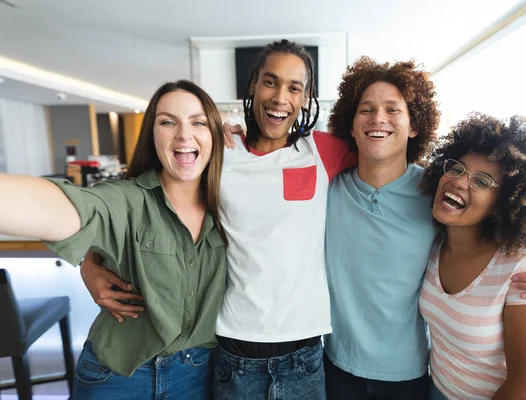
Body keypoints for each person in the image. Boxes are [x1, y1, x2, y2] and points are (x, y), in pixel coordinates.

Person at [80, 39, 356, 400]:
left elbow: (386, 159)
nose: (279, 97)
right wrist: (90, 263)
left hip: (303, 353)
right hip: (231, 350)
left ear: (306, 97)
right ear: (254, 83)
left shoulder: (323, 150)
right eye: (270, 82)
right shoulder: (220, 152)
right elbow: (146, 204)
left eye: (294, 87)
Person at [323, 57, 526, 400]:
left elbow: (500, 227)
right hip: (334, 366)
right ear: (350, 124)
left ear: (414, 126)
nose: (378, 117)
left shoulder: (433, 195)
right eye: (366, 109)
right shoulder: (326, 189)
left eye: (393, 109)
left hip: (409, 377)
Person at [0, 80, 227, 399]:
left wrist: (89, 262)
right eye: (167, 121)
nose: (184, 134)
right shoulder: (127, 199)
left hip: (198, 376)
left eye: (198, 122)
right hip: (119, 375)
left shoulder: (231, 205)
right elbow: (73, 208)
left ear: (215, 134)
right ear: (152, 134)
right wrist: (89, 261)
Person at [419, 113, 526, 399]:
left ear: (505, 203)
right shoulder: (435, 242)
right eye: (458, 168)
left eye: (482, 182)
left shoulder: (525, 270)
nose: (460, 182)